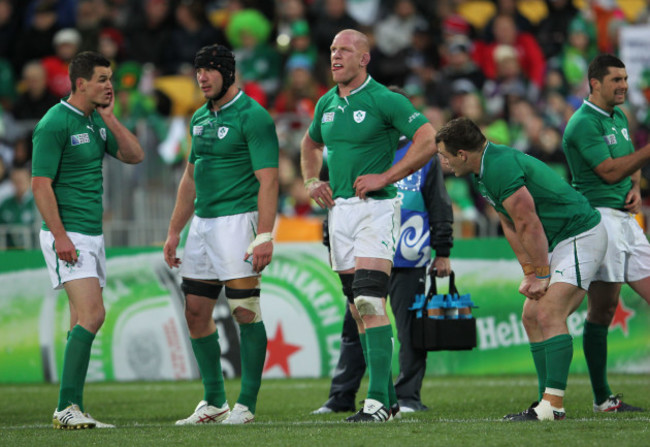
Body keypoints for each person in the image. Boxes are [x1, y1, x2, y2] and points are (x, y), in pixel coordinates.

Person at [300, 29, 437, 422]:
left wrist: (387, 176)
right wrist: (312, 181)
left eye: (344, 50)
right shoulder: (326, 103)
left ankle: (377, 402)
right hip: (339, 213)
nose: (335, 56)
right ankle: (388, 399)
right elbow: (309, 145)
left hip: (376, 209)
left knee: (368, 301)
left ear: (364, 58)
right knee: (357, 310)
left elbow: (428, 139)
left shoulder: (385, 99)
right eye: (331, 50)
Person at [436, 117, 608, 421]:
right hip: (561, 240)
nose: (444, 162)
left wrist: (542, 274)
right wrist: (530, 272)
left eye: (445, 156)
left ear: (462, 154)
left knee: (548, 313)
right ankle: (546, 400)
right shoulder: (483, 170)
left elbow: (528, 221)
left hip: (580, 234)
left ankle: (553, 405)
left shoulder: (498, 167)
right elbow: (508, 222)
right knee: (531, 315)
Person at [311, 87, 453, 415]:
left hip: (407, 255)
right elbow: (337, 200)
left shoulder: (420, 156)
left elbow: (439, 203)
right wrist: (330, 236)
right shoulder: (353, 150)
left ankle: (407, 397)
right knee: (357, 319)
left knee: (409, 331)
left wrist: (442, 249)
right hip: (363, 253)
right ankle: (343, 396)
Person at [163, 44, 279, 426]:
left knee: (245, 311)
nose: (202, 77)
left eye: (211, 69)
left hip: (237, 221)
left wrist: (264, 235)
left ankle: (245, 405)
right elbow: (190, 178)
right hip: (202, 224)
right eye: (199, 71)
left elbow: (269, 180)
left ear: (228, 73)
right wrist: (174, 232)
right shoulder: (198, 117)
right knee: (195, 313)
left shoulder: (254, 116)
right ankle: (214, 402)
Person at [31, 51, 144, 429]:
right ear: (80, 83)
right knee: (94, 314)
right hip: (69, 234)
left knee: (80, 318)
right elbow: (40, 184)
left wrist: (110, 118)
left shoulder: (96, 121)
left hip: (92, 235)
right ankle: (65, 405)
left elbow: (134, 155)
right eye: (101, 79)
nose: (109, 85)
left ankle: (73, 406)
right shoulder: (54, 123)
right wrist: (60, 236)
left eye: (110, 78)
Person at [563, 53, 650, 413]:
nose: (624, 86)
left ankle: (602, 398)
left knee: (608, 307)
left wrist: (638, 190)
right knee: (603, 310)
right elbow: (610, 171)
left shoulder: (619, 117)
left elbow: (628, 168)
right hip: (599, 221)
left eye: (626, 79)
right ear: (595, 83)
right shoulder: (583, 123)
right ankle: (602, 398)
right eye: (616, 80)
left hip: (627, 219)